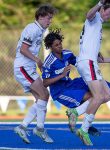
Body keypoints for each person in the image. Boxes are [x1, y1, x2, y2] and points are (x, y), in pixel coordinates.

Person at [42, 29, 110, 138]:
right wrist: (61, 76)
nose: (60, 46)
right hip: (60, 92)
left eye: (60, 43)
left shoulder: (67, 54)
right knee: (94, 96)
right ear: (50, 47)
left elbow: (83, 61)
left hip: (71, 84)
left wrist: (109, 60)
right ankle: (87, 124)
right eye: (56, 45)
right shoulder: (49, 62)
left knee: (100, 82)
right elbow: (45, 83)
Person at [76, 0, 110, 145]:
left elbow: (90, 48)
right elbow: (88, 14)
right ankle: (84, 129)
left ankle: (75, 113)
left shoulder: (98, 25)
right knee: (98, 96)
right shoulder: (95, 18)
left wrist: (109, 60)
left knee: (107, 95)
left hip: (89, 62)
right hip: (87, 63)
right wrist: (100, 3)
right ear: (102, 9)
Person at [13, 4, 57, 144]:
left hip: (28, 68)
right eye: (48, 18)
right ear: (40, 16)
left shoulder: (38, 30)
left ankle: (23, 127)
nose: (50, 21)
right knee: (44, 95)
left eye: (51, 19)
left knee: (41, 98)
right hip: (23, 67)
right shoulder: (32, 29)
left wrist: (37, 63)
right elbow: (23, 50)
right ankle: (39, 128)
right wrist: (38, 60)